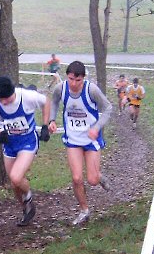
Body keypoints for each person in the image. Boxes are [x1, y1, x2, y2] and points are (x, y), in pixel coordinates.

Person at [48, 60, 113, 226]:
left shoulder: (91, 90)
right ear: (66, 77)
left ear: (83, 78)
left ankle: (99, 176)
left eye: (78, 80)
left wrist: (96, 127)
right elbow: (54, 101)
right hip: (73, 139)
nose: (74, 83)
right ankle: (84, 211)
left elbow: (107, 108)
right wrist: (52, 120)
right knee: (77, 178)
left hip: (91, 140)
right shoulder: (61, 88)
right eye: (71, 79)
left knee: (92, 180)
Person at [0, 75, 52, 227]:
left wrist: (45, 125)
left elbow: (46, 102)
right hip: (10, 144)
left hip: (27, 142)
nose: (4, 102)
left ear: (13, 92)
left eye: (7, 98)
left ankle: (28, 196)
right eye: (1, 99)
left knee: (16, 177)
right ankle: (26, 210)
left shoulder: (27, 97)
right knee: (14, 184)